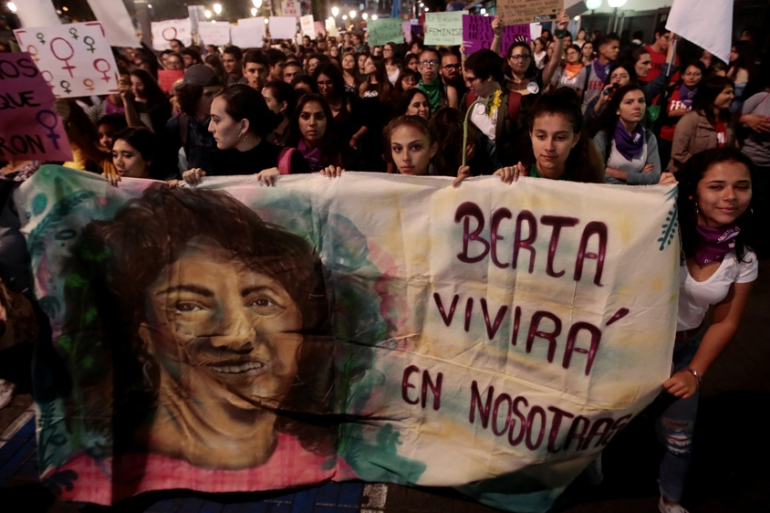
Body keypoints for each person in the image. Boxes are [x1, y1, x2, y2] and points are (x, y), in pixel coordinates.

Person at [59, 185, 341, 473]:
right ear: (142, 333)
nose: (237, 336)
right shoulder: (101, 471)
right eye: (188, 306)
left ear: (303, 323)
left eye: (261, 301)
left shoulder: (330, 460)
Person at [656, 149, 757, 513]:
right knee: (596, 424)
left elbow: (726, 321)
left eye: (741, 186)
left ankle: (670, 499)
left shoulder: (743, 258)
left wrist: (694, 372)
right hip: (629, 347)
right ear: (692, 192)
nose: (730, 196)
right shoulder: (659, 229)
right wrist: (652, 198)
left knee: (679, 439)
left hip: (684, 351)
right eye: (716, 186)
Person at [456, 90, 604, 185]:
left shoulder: (588, 186)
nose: (549, 147)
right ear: (531, 134)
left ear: (575, 139)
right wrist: (473, 188)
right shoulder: (514, 179)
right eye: (541, 136)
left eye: (560, 138)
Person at [182, 84, 309, 184]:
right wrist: (192, 181)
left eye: (216, 120)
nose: (210, 128)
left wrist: (284, 180)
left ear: (243, 125)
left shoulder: (290, 160)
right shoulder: (211, 163)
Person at [321, 115, 442, 177]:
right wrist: (333, 178)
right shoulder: (381, 189)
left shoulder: (448, 189)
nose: (405, 157)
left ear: (432, 149)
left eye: (415, 147)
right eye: (398, 149)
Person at [590, 84, 662, 185]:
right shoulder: (604, 136)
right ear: (617, 110)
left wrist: (618, 174)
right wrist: (638, 177)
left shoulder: (649, 137)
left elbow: (654, 177)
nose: (637, 106)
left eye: (641, 101)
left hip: (636, 193)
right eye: (629, 102)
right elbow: (596, 173)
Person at [668, 77, 736, 172]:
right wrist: (707, 168)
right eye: (727, 93)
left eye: (732, 92)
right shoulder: (691, 120)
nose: (732, 96)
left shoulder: (729, 120)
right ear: (712, 94)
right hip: (688, 173)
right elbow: (678, 154)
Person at [166, 64, 221, 173]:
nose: (215, 99)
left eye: (218, 92)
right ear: (193, 96)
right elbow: (167, 163)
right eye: (208, 94)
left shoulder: (228, 121)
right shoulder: (178, 124)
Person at [656, 61, 707, 169]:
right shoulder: (670, 91)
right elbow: (657, 115)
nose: (691, 77)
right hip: (666, 137)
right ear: (682, 75)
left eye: (696, 74)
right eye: (688, 74)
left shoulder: (703, 95)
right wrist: (672, 114)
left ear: (702, 76)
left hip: (689, 140)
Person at [313, 63, 368, 161]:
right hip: (324, 154)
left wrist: (355, 137)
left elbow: (367, 122)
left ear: (336, 81)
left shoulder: (349, 99)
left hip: (349, 154)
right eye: (320, 83)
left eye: (329, 82)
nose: (325, 87)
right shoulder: (314, 102)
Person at [284, 93, 342, 172]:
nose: (312, 123)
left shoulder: (342, 153)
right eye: (305, 116)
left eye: (319, 117)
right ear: (297, 120)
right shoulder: (285, 153)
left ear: (327, 120)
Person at [582, 33, 621, 114]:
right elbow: (580, 94)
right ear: (602, 49)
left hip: (609, 113)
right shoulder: (587, 70)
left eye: (618, 48)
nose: (617, 50)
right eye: (614, 47)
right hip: (589, 113)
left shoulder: (618, 70)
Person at [417, 48, 458, 112]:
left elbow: (453, 116)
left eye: (433, 62)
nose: (428, 66)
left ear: (439, 67)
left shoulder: (449, 91)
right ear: (419, 67)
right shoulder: (413, 91)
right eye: (424, 62)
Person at [262, 80, 297, 145]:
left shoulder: (297, 136)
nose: (261, 104)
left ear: (283, 106)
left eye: (266, 100)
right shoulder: (261, 132)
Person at [727, 41, 756, 112]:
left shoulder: (743, 70)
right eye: (731, 51)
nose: (731, 54)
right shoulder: (734, 66)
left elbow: (737, 92)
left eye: (735, 52)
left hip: (733, 105)